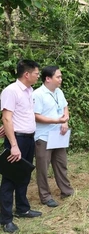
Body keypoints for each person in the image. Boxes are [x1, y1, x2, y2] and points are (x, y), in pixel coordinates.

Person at [0, 59, 42, 233]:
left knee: (24, 175)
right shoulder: (11, 91)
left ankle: (22, 209)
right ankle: (6, 219)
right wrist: (14, 145)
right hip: (17, 141)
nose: (38, 76)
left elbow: (17, 116)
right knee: (10, 179)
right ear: (27, 74)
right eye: (36, 73)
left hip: (28, 139)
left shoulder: (29, 91)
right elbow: (7, 117)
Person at [32, 66, 74, 208]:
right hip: (43, 136)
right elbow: (35, 116)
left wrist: (65, 120)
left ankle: (66, 190)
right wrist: (57, 121)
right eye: (58, 77)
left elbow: (65, 107)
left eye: (61, 76)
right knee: (43, 167)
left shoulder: (59, 92)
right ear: (48, 78)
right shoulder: (38, 94)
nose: (60, 79)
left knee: (61, 164)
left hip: (59, 134)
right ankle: (45, 196)